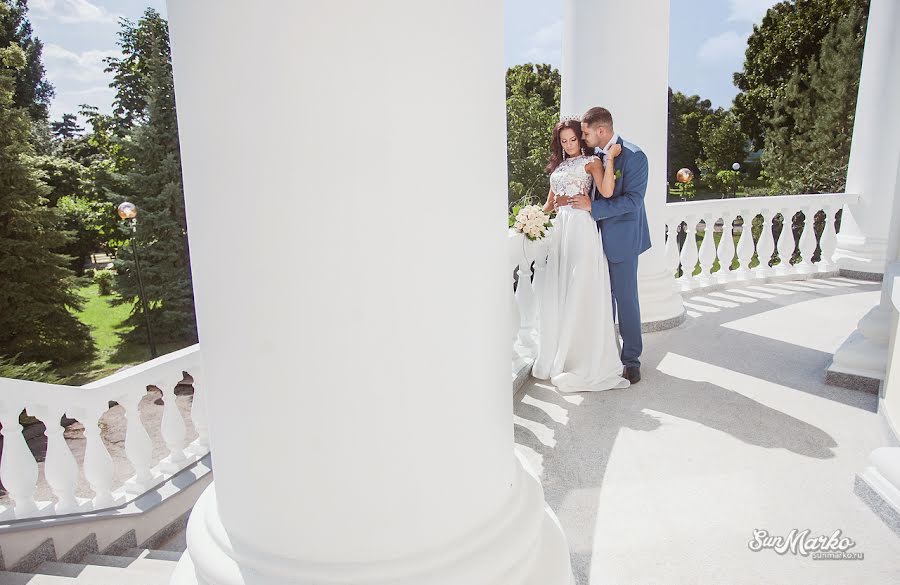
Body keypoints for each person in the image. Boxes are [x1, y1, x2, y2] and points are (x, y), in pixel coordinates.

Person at [531, 118, 629, 393]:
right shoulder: (559, 167)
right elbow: (550, 204)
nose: (568, 145)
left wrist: (609, 159)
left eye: (573, 139)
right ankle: (563, 350)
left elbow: (607, 191)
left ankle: (582, 357)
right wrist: (529, 220)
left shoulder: (591, 162)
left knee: (580, 286)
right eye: (563, 141)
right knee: (561, 288)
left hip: (581, 228)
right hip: (562, 231)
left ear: (580, 139)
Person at [563, 107, 651, 384]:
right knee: (600, 299)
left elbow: (633, 202)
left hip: (621, 239)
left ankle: (631, 359)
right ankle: (605, 354)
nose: (583, 137)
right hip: (590, 238)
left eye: (586, 133)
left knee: (625, 300)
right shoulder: (593, 157)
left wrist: (594, 208)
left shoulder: (635, 157)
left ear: (601, 131)